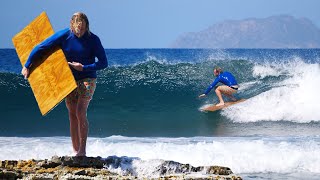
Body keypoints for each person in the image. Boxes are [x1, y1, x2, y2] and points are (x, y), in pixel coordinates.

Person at [21, 12, 108, 156]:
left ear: (87, 26)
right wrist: (27, 65)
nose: (80, 32)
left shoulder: (93, 39)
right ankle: (75, 150)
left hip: (88, 78)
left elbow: (104, 63)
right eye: (77, 29)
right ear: (72, 26)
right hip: (69, 79)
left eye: (83, 28)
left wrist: (84, 67)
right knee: (72, 114)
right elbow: (42, 47)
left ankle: (82, 150)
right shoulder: (64, 35)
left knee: (81, 111)